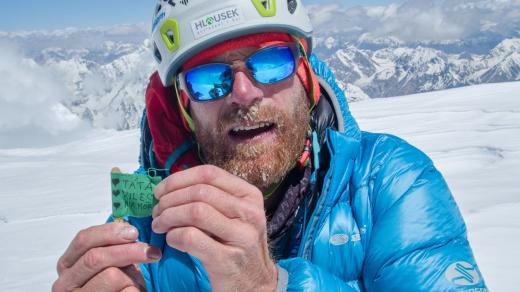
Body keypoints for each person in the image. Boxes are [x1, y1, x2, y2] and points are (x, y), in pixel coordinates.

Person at [53, 0, 488, 291]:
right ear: (185, 107)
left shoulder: (389, 186)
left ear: (305, 77)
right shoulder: (142, 228)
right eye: (209, 79)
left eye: (271, 62)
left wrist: (270, 285)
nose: (243, 92)